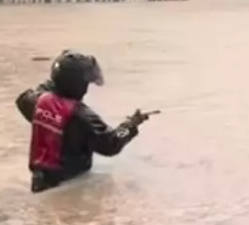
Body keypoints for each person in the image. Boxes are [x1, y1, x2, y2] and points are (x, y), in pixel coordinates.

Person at [15, 50, 154, 193]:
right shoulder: (83, 117)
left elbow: (27, 97)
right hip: (69, 185)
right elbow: (110, 144)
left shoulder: (33, 101)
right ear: (79, 85)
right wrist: (131, 124)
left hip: (40, 179)